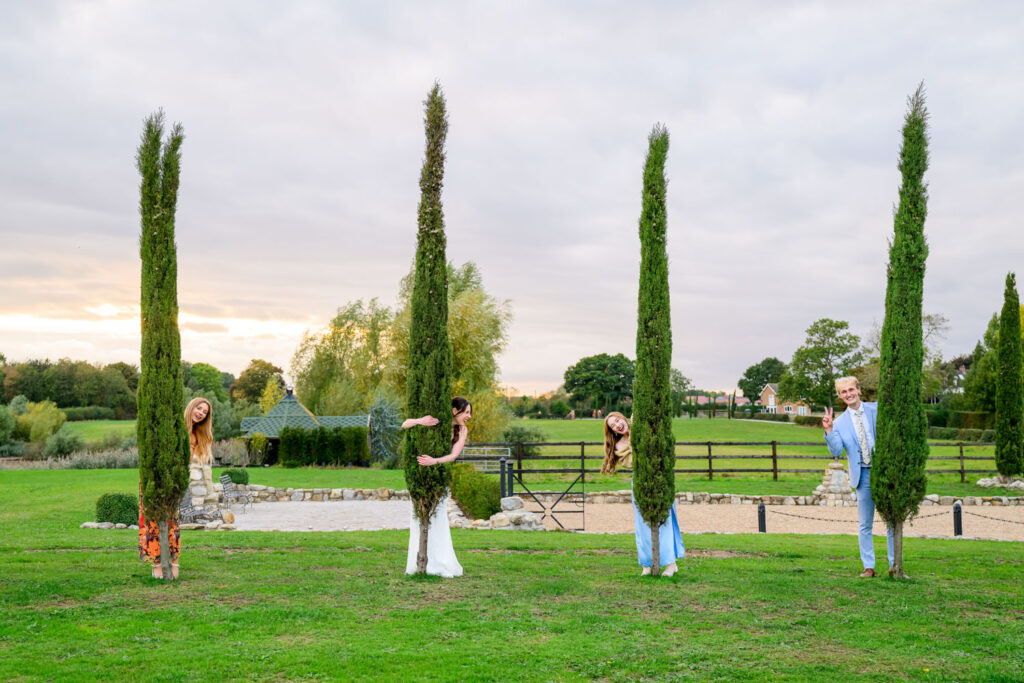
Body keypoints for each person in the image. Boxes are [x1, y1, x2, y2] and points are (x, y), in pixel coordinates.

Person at [822, 376, 894, 578]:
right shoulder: (839, 422)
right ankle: (869, 567)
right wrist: (828, 430)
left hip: (884, 472)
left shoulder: (876, 409)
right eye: (843, 392)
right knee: (865, 524)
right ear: (840, 396)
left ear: (859, 390)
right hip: (862, 475)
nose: (848, 394)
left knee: (892, 521)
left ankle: (894, 564)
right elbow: (836, 450)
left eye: (851, 389)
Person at [602, 411, 684, 577]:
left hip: (659, 478)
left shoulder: (640, 429)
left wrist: (639, 427)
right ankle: (647, 564)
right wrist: (635, 435)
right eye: (613, 425)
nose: (618, 424)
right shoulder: (618, 446)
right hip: (640, 483)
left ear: (623, 418)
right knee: (643, 525)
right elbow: (636, 461)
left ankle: (671, 564)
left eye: (618, 420)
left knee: (665, 521)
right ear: (613, 431)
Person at [138, 398, 211, 578]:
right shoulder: (174, 424)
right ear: (191, 407)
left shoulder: (195, 434)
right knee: (152, 521)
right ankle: (156, 564)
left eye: (205, 412)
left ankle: (173, 560)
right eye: (199, 408)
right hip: (155, 476)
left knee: (173, 522)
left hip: (174, 480)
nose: (201, 413)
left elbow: (186, 461)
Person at [401, 397, 472, 578]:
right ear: (455, 411)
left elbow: (453, 455)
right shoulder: (437, 420)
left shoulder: (462, 430)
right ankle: (419, 563)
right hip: (420, 479)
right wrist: (420, 421)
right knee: (417, 519)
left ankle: (440, 562)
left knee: (438, 520)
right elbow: (404, 425)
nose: (470, 416)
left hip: (439, 480)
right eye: (467, 412)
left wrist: (434, 462)